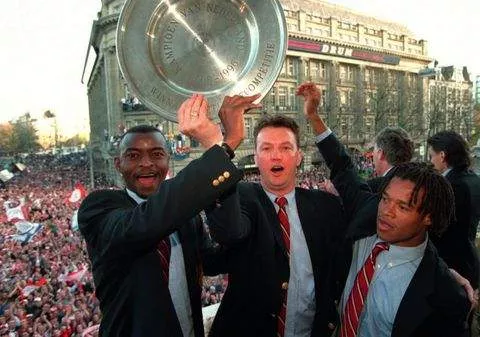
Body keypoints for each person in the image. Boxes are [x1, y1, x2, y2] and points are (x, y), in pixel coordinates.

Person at [78, 93, 261, 337]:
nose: (146, 163)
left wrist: (255, 227)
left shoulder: (186, 217)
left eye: (156, 154)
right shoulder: (99, 207)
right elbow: (144, 224)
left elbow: (215, 261)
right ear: (117, 164)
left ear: (168, 158)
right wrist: (220, 147)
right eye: (133, 155)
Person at [297, 82, 471, 336]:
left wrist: (444, 273)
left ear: (428, 218)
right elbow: (342, 166)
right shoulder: (365, 224)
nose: (386, 211)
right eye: (386, 199)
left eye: (403, 206)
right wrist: (313, 117)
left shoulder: (445, 296)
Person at [206, 114, 347, 337]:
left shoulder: (326, 207)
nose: (276, 156)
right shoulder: (241, 197)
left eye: (285, 148)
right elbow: (230, 232)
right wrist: (218, 147)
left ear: (299, 156)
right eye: (267, 148)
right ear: (256, 157)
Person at [427, 130, 480, 290]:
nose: (431, 161)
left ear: (442, 155)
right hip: (470, 261)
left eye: (431, 156)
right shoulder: (474, 180)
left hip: (449, 265)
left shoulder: (448, 186)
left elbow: (436, 227)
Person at [367, 127, 414, 193]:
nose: (372, 154)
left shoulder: (371, 189)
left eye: (374, 150)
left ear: (380, 153)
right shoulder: (419, 183)